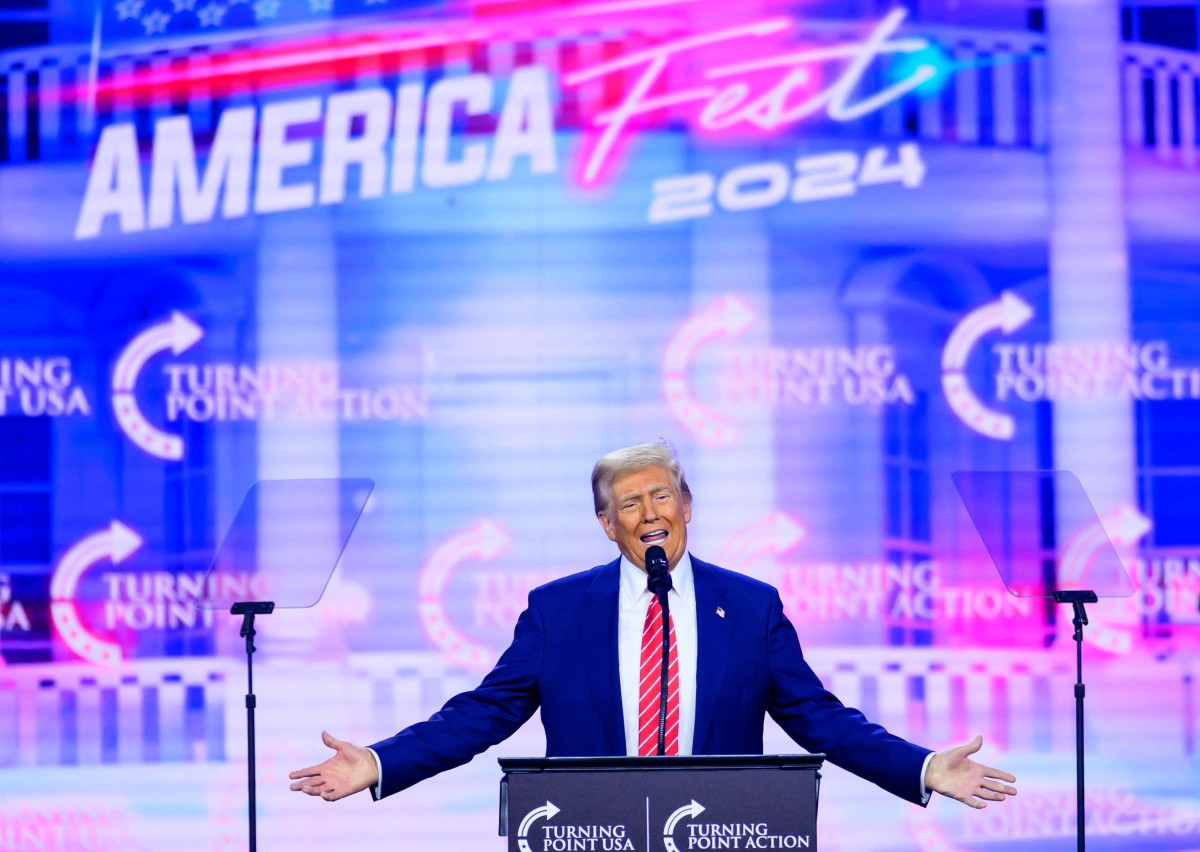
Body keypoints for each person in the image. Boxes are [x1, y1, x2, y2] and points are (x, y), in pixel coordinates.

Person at [290, 442, 1017, 809]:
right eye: (629, 504)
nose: (650, 514)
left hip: (725, 831)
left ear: (688, 505)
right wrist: (380, 762)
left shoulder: (752, 605)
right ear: (606, 524)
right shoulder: (558, 610)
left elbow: (820, 719)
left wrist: (923, 767)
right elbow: (482, 714)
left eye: (661, 496)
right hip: (590, 831)